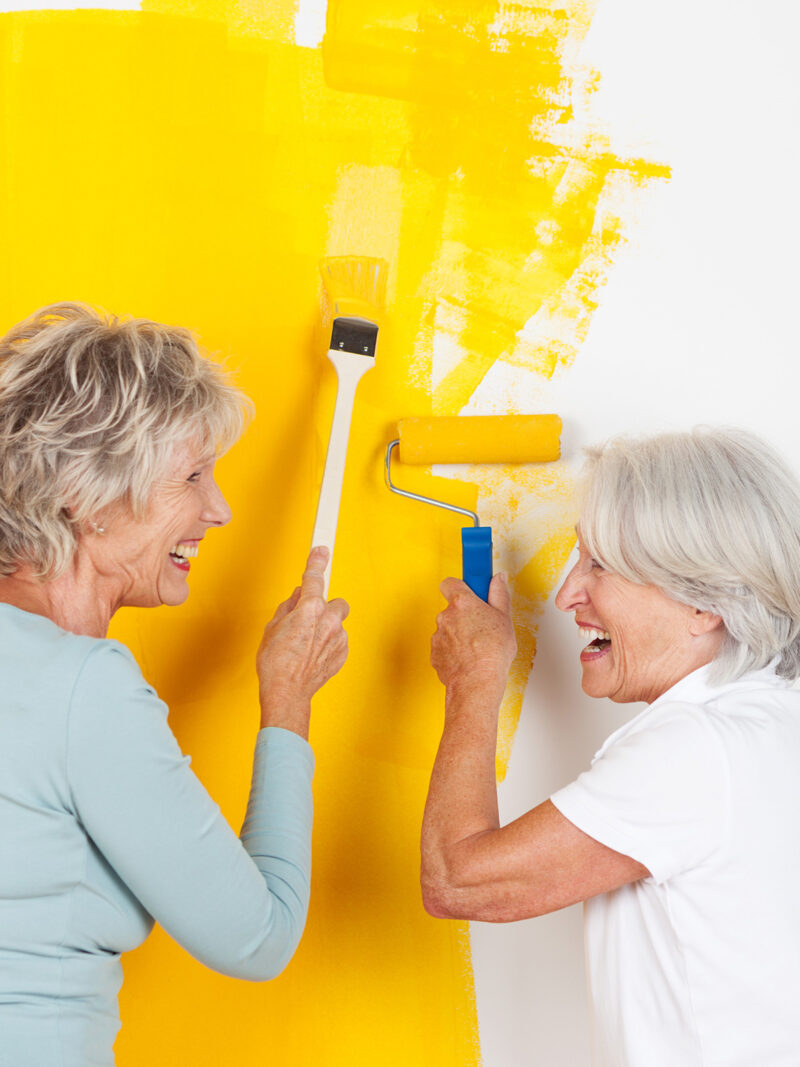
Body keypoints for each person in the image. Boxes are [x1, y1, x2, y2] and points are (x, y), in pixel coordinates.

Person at [0, 303, 349, 1067]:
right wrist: (287, 700)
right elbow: (257, 936)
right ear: (86, 497)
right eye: (192, 476)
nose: (219, 509)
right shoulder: (82, 686)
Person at [421, 427, 800, 1066]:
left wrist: (474, 681)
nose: (568, 592)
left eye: (600, 565)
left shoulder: (696, 748)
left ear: (703, 602)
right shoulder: (773, 719)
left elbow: (459, 882)